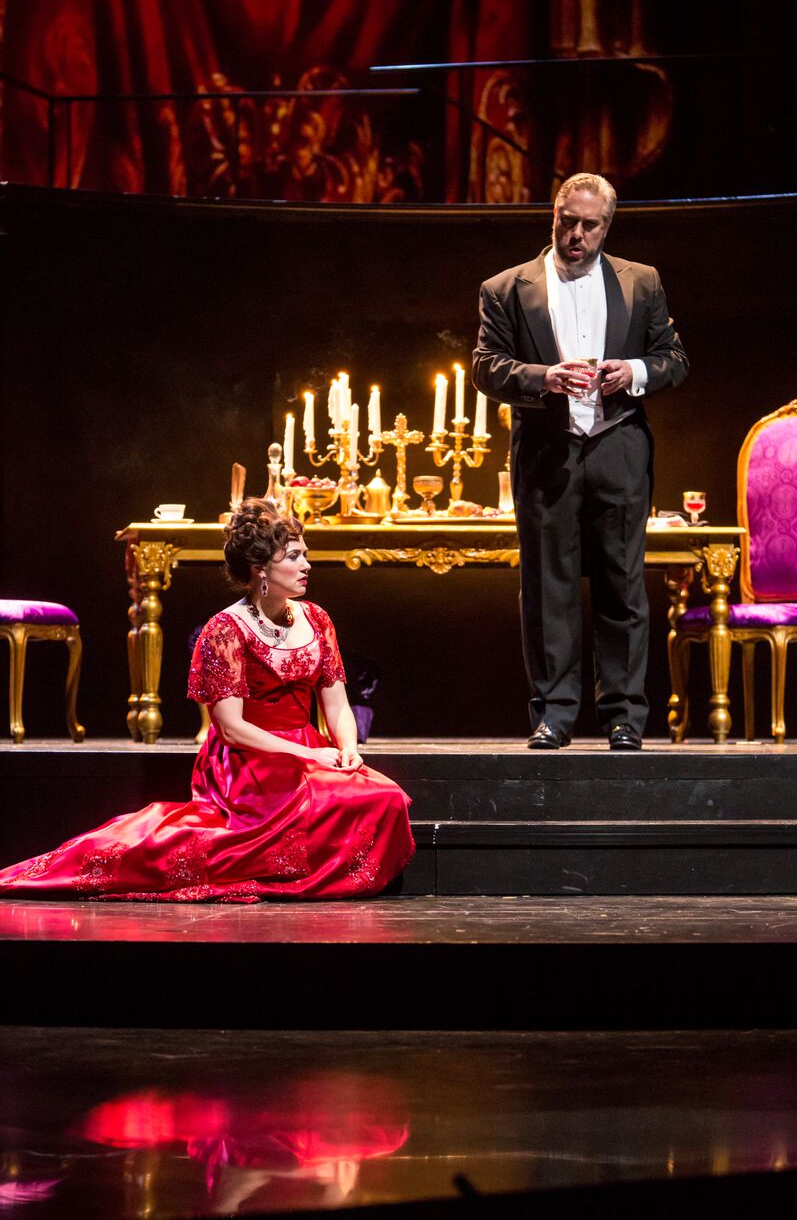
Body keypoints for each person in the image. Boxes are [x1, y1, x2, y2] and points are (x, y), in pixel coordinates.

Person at [0, 499, 414, 900]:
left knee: (386, 799)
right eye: (294, 556)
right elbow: (231, 728)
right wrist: (307, 756)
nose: (306, 565)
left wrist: (347, 748)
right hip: (250, 760)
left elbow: (336, 703)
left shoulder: (317, 619)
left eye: (305, 554)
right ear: (260, 569)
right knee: (289, 819)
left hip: (308, 750)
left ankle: (309, 873)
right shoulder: (226, 630)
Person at [472, 172, 688, 751]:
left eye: (590, 225)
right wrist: (543, 376)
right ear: (554, 216)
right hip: (547, 450)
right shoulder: (507, 288)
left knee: (623, 584)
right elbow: (486, 367)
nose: (576, 234)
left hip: (618, 446)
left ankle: (623, 717)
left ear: (606, 226)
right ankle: (555, 714)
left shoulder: (641, 281)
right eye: (568, 221)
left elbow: (673, 359)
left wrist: (633, 371)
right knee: (549, 586)